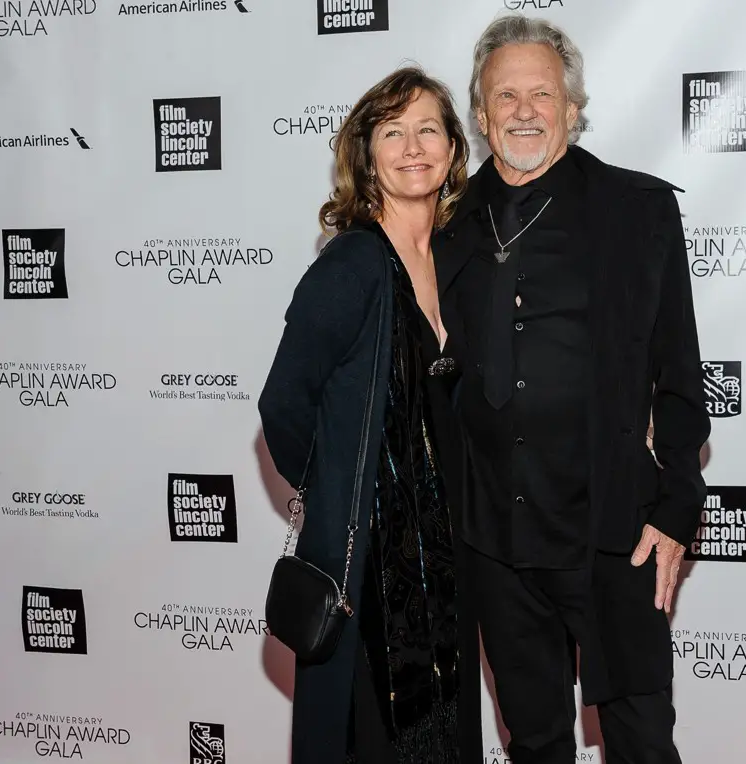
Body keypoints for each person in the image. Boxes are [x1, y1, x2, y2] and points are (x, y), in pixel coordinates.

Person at [435, 15, 711, 764]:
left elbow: (681, 377)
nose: (525, 111)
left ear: (573, 107)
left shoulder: (638, 211)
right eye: (506, 96)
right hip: (494, 537)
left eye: (542, 94)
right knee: (537, 743)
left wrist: (678, 506)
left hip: (615, 533)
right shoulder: (445, 223)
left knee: (642, 742)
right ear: (482, 115)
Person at [258, 67, 481, 764]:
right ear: (367, 153)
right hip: (368, 573)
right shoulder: (352, 264)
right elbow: (283, 404)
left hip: (447, 563)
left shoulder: (458, 259)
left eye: (428, 130)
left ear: (452, 149)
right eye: (393, 132)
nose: (413, 147)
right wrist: (336, 502)